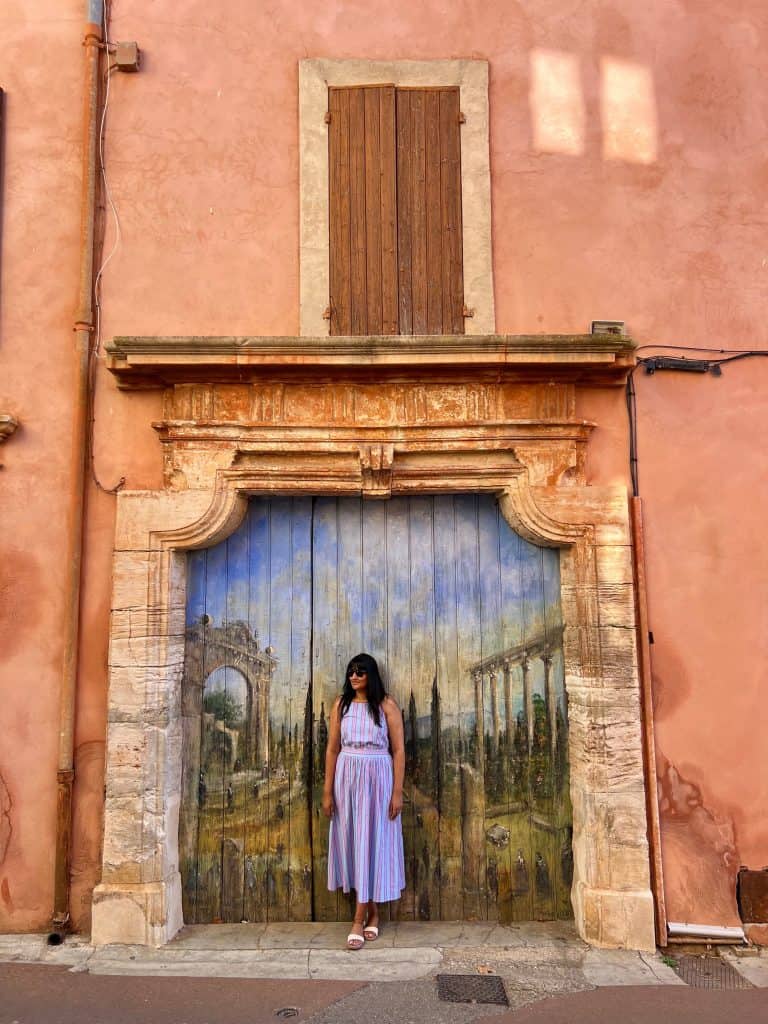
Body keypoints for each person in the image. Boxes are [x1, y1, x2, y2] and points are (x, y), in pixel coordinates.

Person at [323, 652, 405, 950]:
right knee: (356, 845)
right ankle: (373, 913)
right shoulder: (341, 705)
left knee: (374, 842)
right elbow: (332, 749)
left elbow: (398, 751)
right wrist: (327, 790)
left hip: (378, 781)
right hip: (348, 780)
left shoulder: (386, 705)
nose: (354, 676)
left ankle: (358, 919)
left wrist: (397, 792)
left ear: (372, 675)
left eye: (361, 671)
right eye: (351, 671)